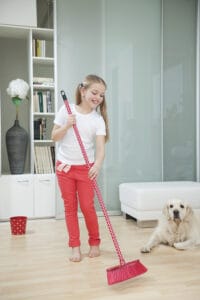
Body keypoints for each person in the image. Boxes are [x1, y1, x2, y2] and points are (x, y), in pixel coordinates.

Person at [51, 74, 109, 262]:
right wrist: (67, 125)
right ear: (83, 91)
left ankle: (94, 242)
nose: (98, 97)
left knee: (87, 207)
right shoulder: (66, 111)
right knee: (70, 208)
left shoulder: (97, 120)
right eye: (94, 92)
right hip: (65, 168)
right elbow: (54, 137)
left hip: (86, 169)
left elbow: (100, 148)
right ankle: (75, 247)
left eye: (101, 95)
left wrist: (97, 165)